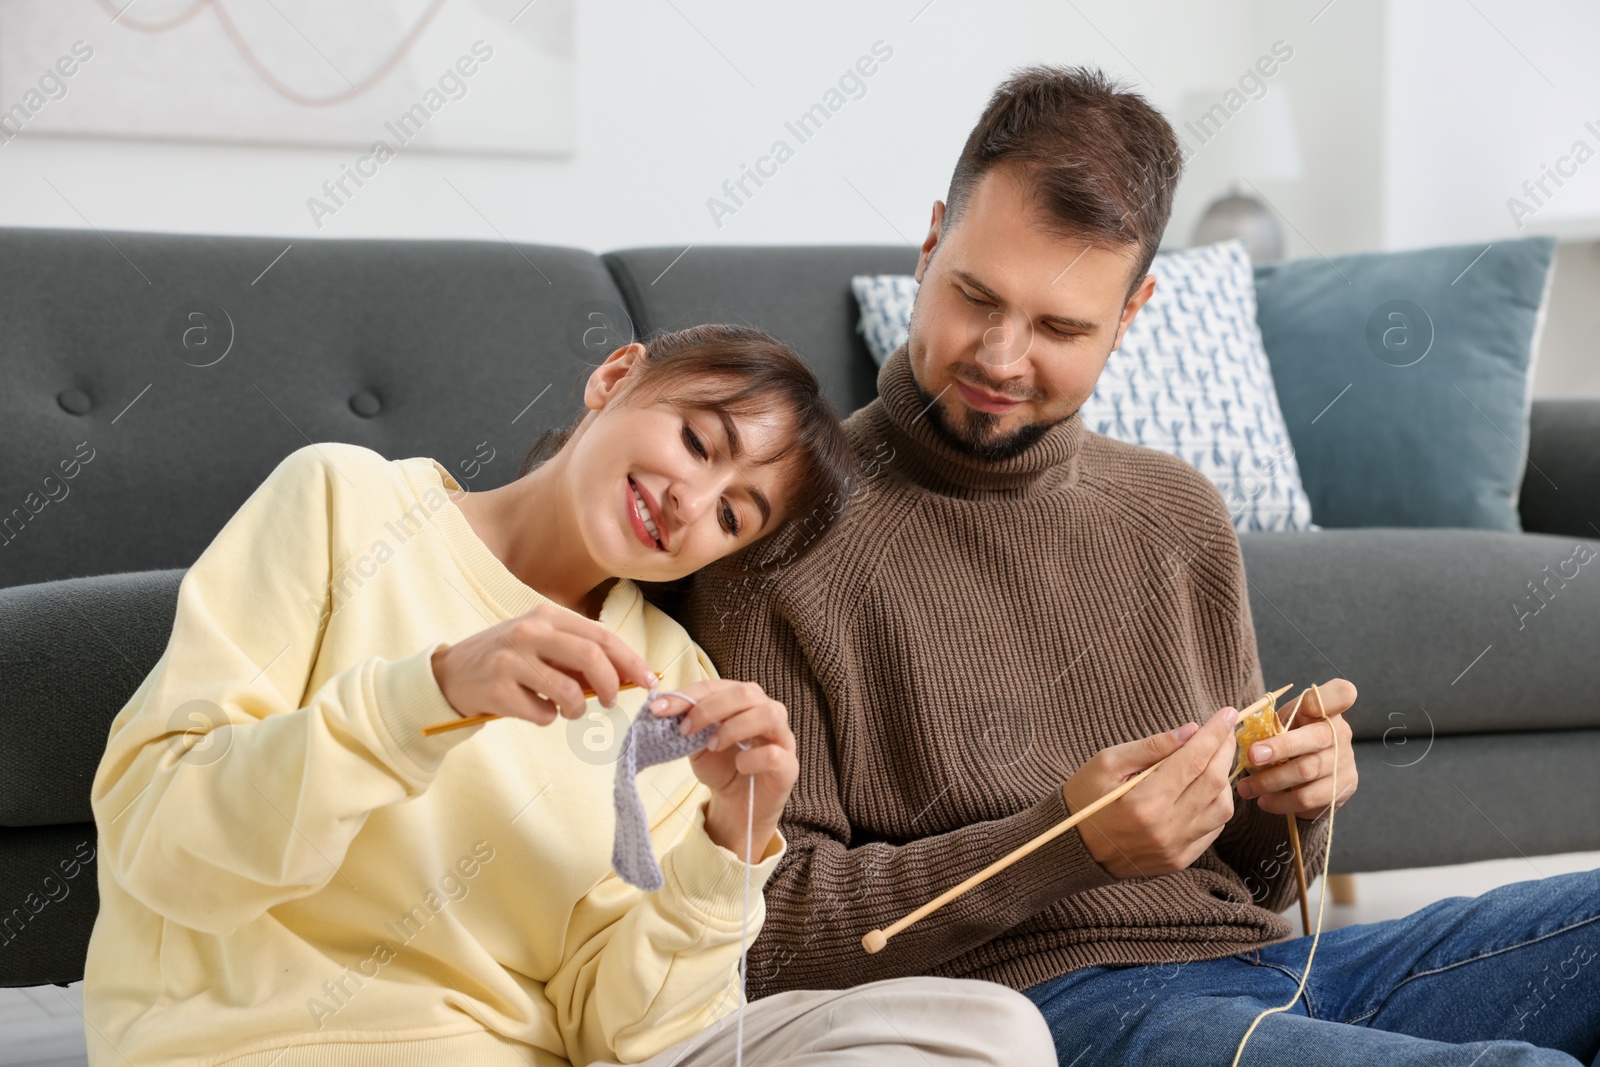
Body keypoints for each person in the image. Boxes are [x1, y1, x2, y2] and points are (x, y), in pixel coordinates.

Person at [683, 68, 1600, 1066]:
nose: (999, 355)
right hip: (1039, 1009)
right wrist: (1064, 840)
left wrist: (1288, 800)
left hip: (1261, 972)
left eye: (1061, 327)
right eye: (974, 295)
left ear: (1131, 313)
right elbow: (762, 931)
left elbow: (1258, 885)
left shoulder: (1175, 513)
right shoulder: (780, 531)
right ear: (930, 240)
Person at [84, 323, 1056, 1067]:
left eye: (732, 513)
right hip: (269, 1042)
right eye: (695, 440)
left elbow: (632, 1036)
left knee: (986, 1029)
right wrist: (421, 695)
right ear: (613, 377)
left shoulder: (674, 684)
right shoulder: (346, 505)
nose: (689, 498)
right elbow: (162, 843)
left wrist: (729, 842)